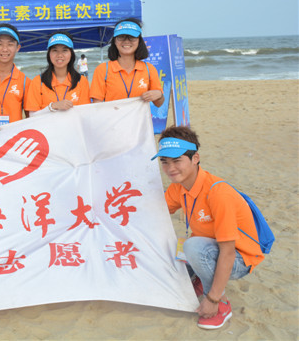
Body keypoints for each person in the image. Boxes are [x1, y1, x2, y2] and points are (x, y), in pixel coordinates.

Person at [151, 126, 264, 330]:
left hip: (239, 258)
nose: (170, 168)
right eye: (164, 162)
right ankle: (200, 279)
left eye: (177, 161)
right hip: (209, 247)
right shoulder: (179, 187)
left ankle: (221, 305)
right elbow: (154, 212)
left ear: (195, 158)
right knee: (167, 259)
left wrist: (212, 299)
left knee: (192, 247)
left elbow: (228, 252)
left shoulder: (218, 193)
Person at [90, 18, 164, 107]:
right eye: (121, 37)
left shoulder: (149, 69)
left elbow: (159, 104)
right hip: (112, 116)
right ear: (115, 41)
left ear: (139, 41)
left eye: (132, 37)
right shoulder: (103, 70)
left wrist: (159, 95)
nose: (126, 41)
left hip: (141, 117)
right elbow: (96, 106)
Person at [24, 32, 90, 115]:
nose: (59, 55)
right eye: (55, 50)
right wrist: (52, 106)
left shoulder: (81, 81)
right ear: (49, 54)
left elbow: (85, 114)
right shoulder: (38, 82)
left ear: (71, 54)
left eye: (64, 50)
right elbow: (32, 116)